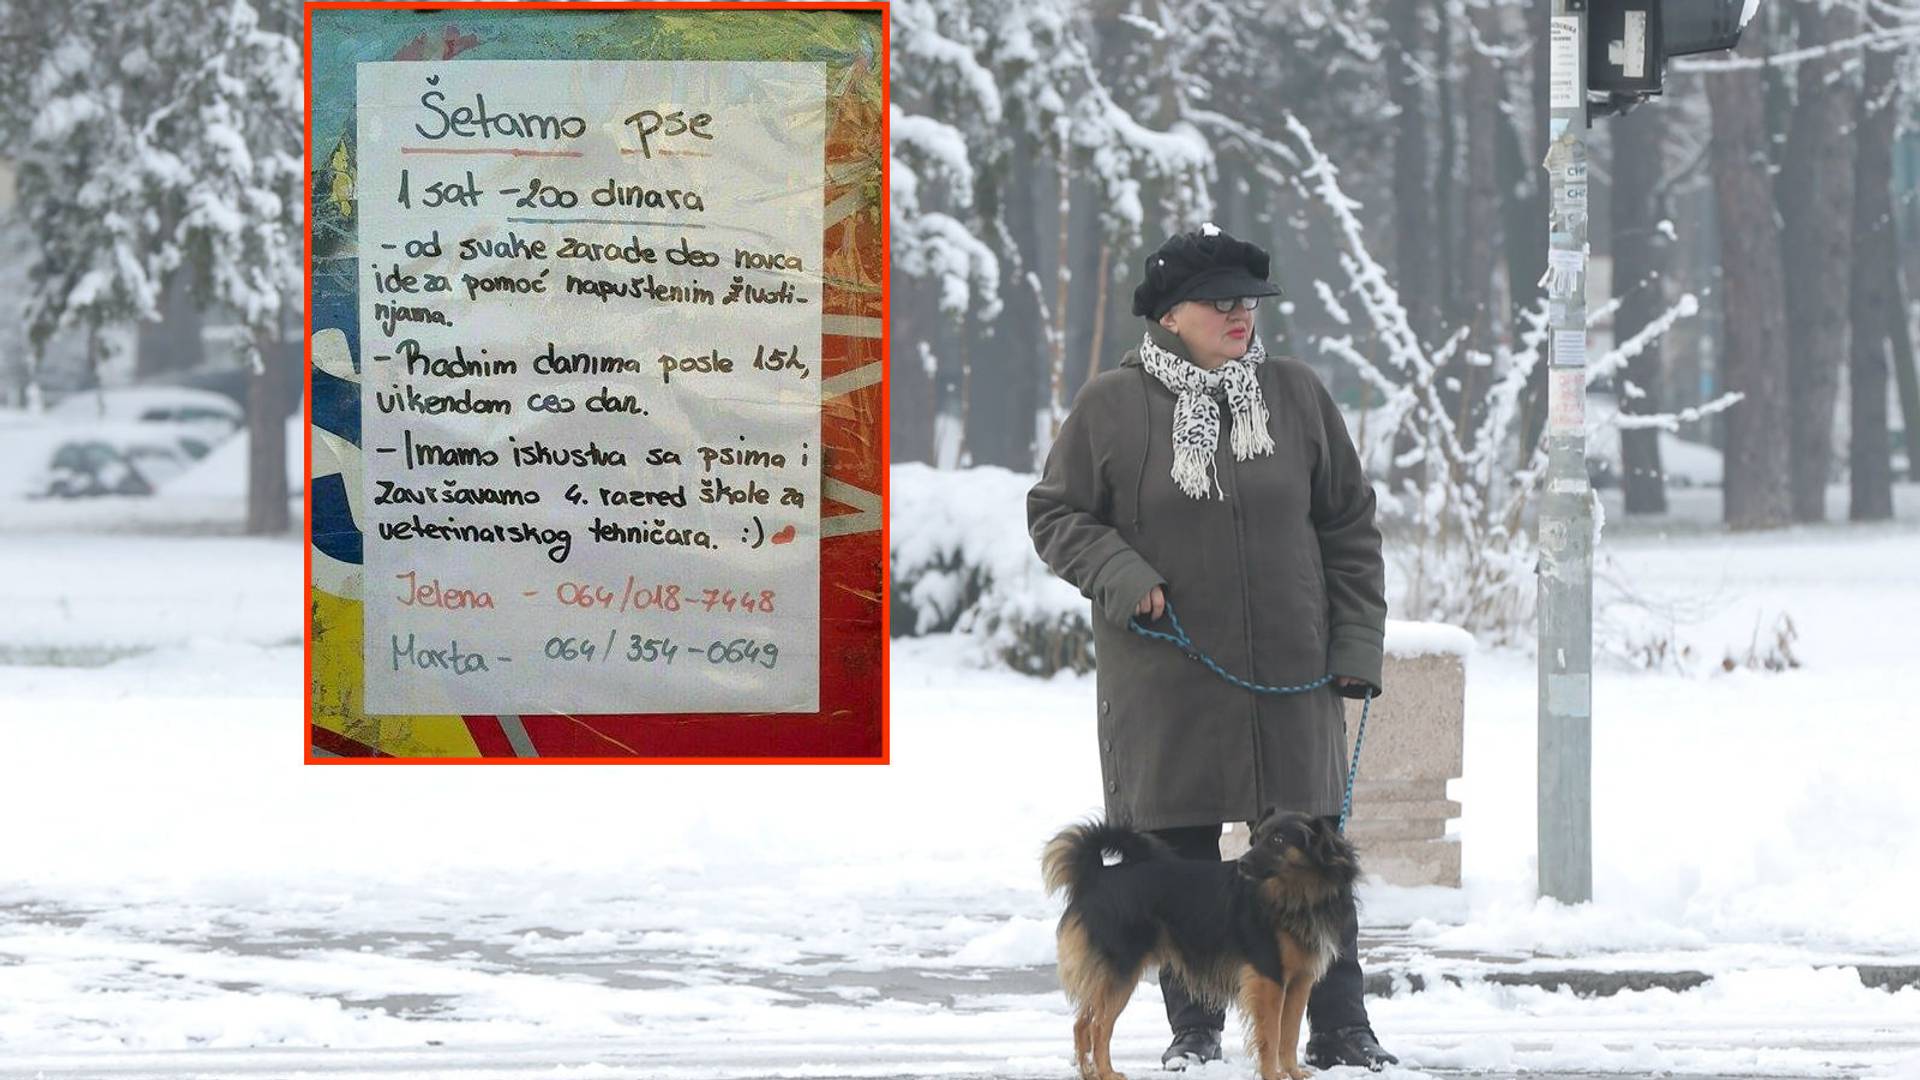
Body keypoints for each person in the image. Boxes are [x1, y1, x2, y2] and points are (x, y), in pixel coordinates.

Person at [1027, 225, 1397, 1071]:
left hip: (1293, 677)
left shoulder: (1297, 394)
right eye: (1221, 302)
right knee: (1182, 860)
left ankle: (1343, 1028)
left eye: (1250, 302)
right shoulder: (1110, 406)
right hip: (1169, 678)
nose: (1241, 316)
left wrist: (1356, 641)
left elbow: (1347, 523)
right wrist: (1122, 574)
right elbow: (1056, 514)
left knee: (1318, 866)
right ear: (1169, 314)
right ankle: (1193, 1033)